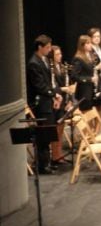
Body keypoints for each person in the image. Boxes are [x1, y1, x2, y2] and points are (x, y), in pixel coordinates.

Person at [26, 35, 61, 173]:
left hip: (48, 102)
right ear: (39, 47)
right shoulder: (33, 63)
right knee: (43, 135)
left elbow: (48, 82)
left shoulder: (44, 59)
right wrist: (54, 94)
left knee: (48, 133)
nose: (49, 50)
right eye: (47, 47)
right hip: (41, 104)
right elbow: (40, 86)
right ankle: (42, 165)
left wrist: (54, 96)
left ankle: (47, 161)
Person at [72, 35, 98, 111]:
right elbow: (74, 76)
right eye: (88, 43)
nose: (91, 45)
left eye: (90, 43)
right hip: (84, 92)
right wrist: (89, 79)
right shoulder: (78, 58)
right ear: (82, 45)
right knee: (86, 113)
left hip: (91, 90)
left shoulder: (90, 55)